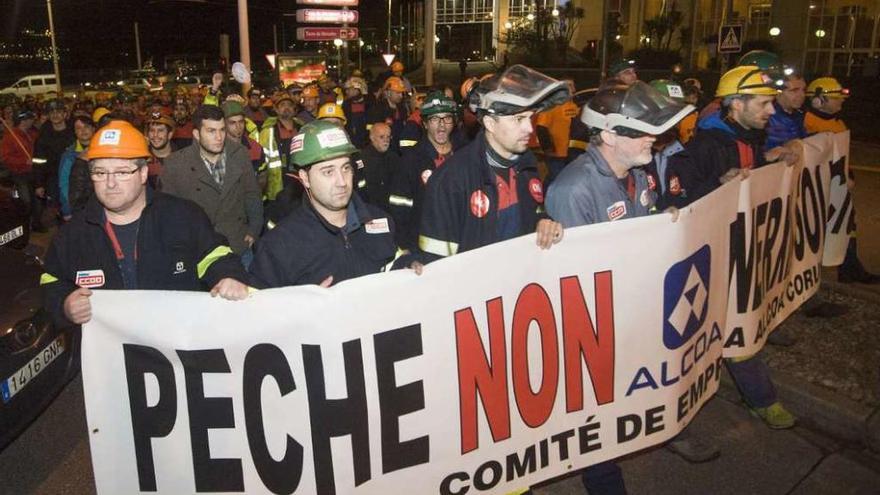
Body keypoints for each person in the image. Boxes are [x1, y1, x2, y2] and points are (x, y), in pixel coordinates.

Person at [663, 65, 798, 430]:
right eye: (764, 103)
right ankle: (759, 399)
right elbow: (677, 202)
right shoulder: (706, 145)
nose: (772, 111)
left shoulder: (749, 137)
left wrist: (775, 158)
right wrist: (716, 187)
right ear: (736, 104)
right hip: (712, 259)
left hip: (737, 252)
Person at [40, 119, 249, 328]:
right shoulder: (74, 234)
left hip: (175, 350)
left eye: (122, 172)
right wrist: (64, 304)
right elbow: (51, 281)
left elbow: (216, 256)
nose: (110, 183)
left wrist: (228, 276)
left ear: (143, 173)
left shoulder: (182, 216)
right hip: (110, 355)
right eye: (100, 173)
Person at [249, 120, 399, 288]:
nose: (342, 182)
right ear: (305, 178)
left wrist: (409, 265)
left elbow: (394, 267)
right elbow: (260, 308)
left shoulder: (381, 220)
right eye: (328, 172)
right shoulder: (280, 245)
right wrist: (301, 305)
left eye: (346, 168)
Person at [160, 105, 263, 266]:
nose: (219, 137)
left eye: (222, 130)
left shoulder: (239, 154)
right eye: (211, 131)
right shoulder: (175, 164)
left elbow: (251, 193)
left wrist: (254, 229)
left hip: (238, 246)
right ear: (196, 134)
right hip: (197, 252)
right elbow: (168, 211)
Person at [804, 77, 879, 284]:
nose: (840, 102)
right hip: (819, 186)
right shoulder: (808, 122)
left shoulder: (837, 122)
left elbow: (842, 155)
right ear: (818, 100)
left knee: (846, 224)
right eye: (835, 98)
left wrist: (849, 175)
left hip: (837, 183)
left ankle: (849, 267)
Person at [388, 91, 459, 251]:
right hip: (425, 249)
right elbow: (399, 208)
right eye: (434, 119)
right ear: (425, 124)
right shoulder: (411, 160)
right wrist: (407, 249)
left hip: (461, 244)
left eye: (447, 118)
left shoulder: (464, 155)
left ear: (453, 122)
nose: (441, 125)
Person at [33, 98, 75, 226]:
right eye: (52, 112)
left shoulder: (75, 130)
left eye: (58, 112)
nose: (55, 115)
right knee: (60, 208)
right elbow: (38, 161)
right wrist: (38, 184)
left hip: (75, 175)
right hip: (53, 177)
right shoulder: (43, 135)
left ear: (65, 114)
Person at [0, 109, 40, 232]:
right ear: (24, 121)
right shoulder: (10, 137)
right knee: (25, 201)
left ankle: (36, 224)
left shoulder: (32, 134)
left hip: (33, 172)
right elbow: (4, 157)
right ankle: (22, 225)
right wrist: (23, 161)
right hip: (19, 174)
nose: (32, 121)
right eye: (30, 119)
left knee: (36, 200)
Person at [260, 92, 304, 201]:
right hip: (278, 185)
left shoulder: (303, 128)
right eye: (282, 105)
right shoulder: (268, 131)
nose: (286, 108)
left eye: (289, 105)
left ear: (294, 109)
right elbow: (262, 163)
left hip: (301, 182)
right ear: (276, 109)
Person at [535, 79, 579, 184]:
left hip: (571, 152)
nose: (572, 88)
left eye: (572, 85)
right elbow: (541, 127)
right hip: (556, 153)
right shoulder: (552, 106)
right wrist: (548, 148)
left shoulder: (574, 105)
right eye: (568, 85)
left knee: (563, 179)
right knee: (556, 179)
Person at [57, 115, 95, 221]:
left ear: (93, 128)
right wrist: (67, 209)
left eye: (86, 126)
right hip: (79, 207)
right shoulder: (69, 155)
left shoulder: (103, 149)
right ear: (74, 132)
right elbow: (64, 183)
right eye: (78, 128)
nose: (83, 131)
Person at [367, 76, 409, 155]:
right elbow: (373, 131)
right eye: (397, 93)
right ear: (388, 92)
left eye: (401, 93)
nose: (401, 96)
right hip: (384, 151)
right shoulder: (378, 109)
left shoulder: (402, 109)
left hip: (399, 150)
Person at [765, 73, 807, 150]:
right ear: (778, 93)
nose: (802, 95)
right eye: (794, 90)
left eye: (803, 90)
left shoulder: (799, 114)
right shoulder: (766, 118)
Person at [342, 76, 371, 148]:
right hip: (350, 143)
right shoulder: (346, 104)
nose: (346, 92)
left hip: (366, 143)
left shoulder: (369, 103)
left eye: (349, 89)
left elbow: (371, 124)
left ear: (357, 90)